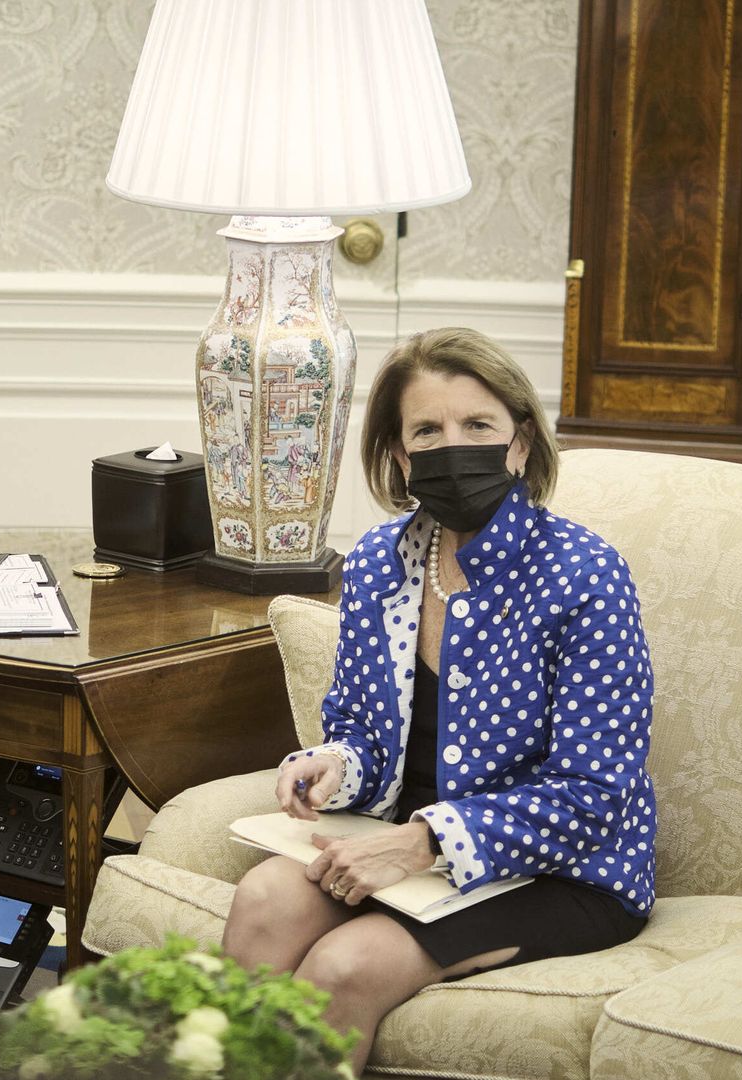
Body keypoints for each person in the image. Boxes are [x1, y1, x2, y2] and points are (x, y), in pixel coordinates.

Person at [222, 327, 656, 1076]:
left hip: (563, 869)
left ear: (519, 443)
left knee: (344, 967)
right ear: (399, 455)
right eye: (428, 430)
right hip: (399, 848)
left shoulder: (586, 575)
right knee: (263, 900)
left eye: (477, 426)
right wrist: (334, 763)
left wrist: (421, 842)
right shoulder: (376, 564)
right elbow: (361, 729)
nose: (453, 446)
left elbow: (594, 794)